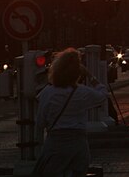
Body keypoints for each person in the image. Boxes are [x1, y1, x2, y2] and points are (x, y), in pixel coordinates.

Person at [34, 48, 108, 176]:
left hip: (55, 143)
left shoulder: (47, 93)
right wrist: (91, 76)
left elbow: (40, 122)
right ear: (77, 73)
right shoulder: (82, 92)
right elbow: (102, 95)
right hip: (78, 143)